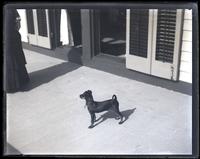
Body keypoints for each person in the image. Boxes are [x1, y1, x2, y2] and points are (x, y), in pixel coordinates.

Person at [4, 9, 29, 93]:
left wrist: (15, 31)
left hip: (12, 35)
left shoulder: (11, 9)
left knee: (12, 55)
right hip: (10, 36)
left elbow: (18, 22)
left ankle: (17, 83)